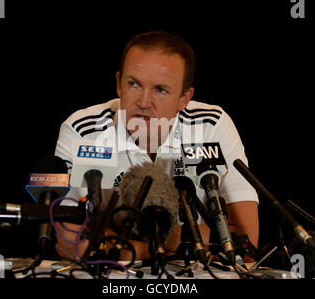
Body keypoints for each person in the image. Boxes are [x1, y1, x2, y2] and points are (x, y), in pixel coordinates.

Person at [53, 31, 259, 262]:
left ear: (184, 98)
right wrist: (183, 243)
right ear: (119, 84)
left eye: (160, 89)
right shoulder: (82, 130)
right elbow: (68, 241)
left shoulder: (211, 125)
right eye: (133, 84)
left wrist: (132, 243)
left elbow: (245, 241)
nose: (143, 102)